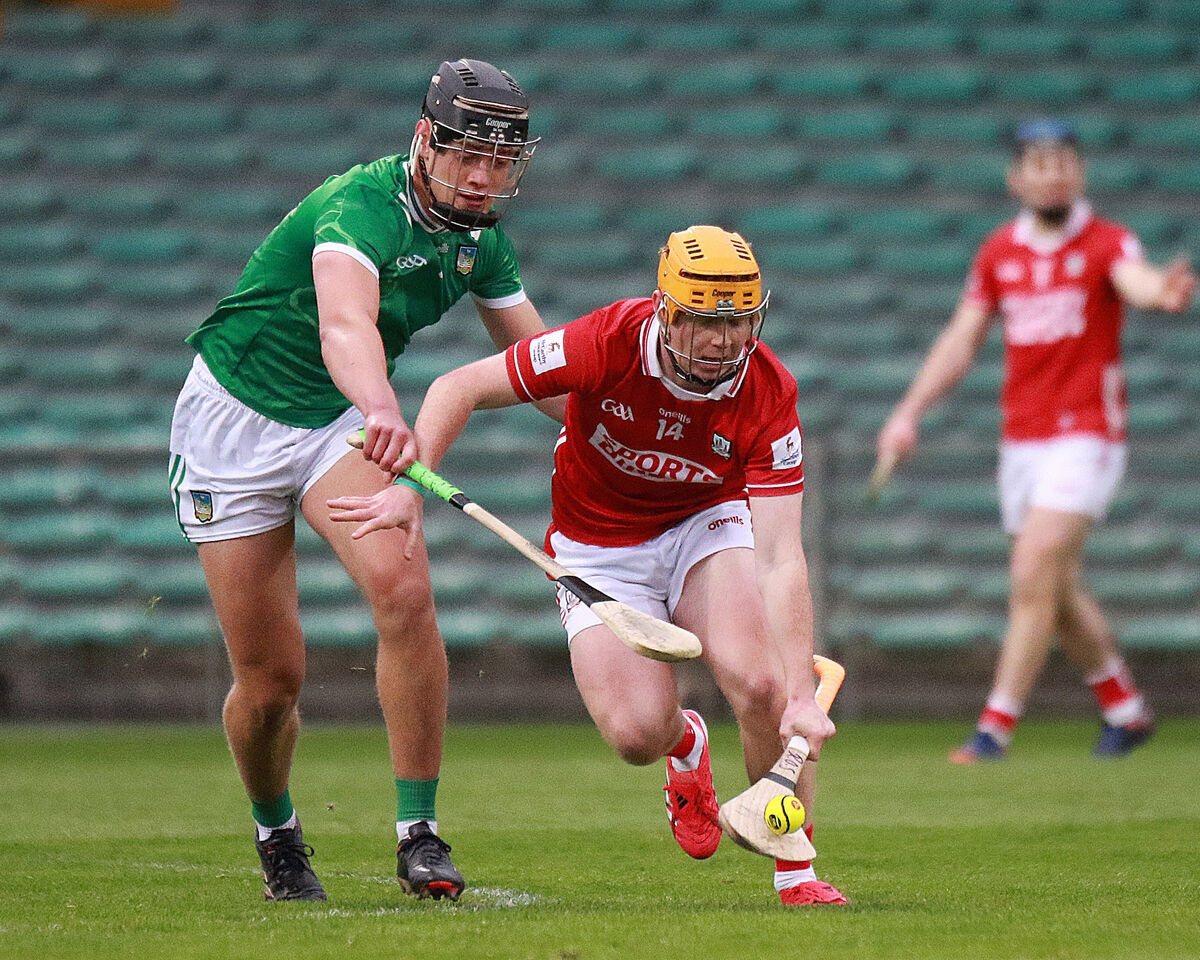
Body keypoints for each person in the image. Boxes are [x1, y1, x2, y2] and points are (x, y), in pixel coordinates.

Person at [329, 226, 848, 906]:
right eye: (701, 322)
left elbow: (781, 557)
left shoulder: (768, 392)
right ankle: (684, 742)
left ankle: (795, 872)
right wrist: (407, 485)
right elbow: (460, 386)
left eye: (737, 321)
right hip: (598, 546)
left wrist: (801, 695)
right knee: (635, 735)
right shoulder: (605, 342)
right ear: (665, 310)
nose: (722, 340)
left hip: (705, 526)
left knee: (761, 683)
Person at [168, 58, 558, 902]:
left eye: (500, 162)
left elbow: (544, 371)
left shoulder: (482, 239)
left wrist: (626, 429)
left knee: (405, 590)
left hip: (333, 423)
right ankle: (277, 832)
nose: (483, 177)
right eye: (467, 154)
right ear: (427, 141)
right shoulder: (358, 207)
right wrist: (382, 404)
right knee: (272, 682)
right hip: (236, 422)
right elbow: (346, 322)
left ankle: (418, 833)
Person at [876, 118, 1196, 763]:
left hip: (1087, 433)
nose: (1053, 173)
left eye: (1063, 162)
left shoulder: (1109, 242)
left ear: (1078, 173)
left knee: (1031, 569)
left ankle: (993, 728)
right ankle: (1127, 711)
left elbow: (1136, 280)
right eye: (1039, 163)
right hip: (1021, 440)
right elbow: (961, 340)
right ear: (1016, 178)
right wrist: (907, 412)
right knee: (1057, 587)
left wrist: (1162, 292)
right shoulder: (999, 252)